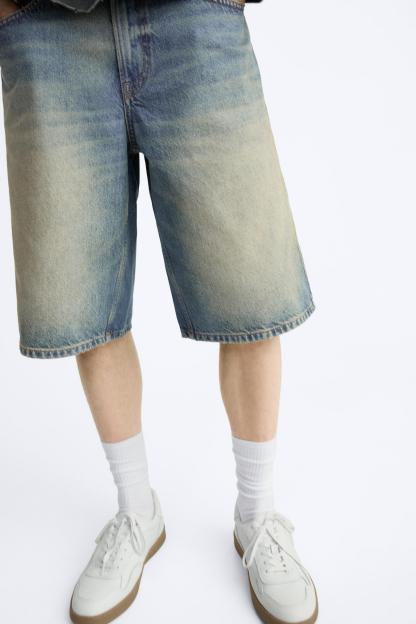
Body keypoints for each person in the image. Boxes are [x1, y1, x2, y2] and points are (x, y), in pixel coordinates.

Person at [0, 0, 318, 623]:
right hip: (48, 27)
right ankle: (136, 510)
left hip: (191, 18)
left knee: (250, 289)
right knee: (86, 298)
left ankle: (258, 516)